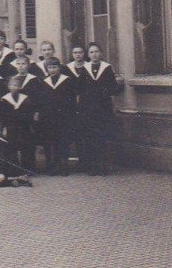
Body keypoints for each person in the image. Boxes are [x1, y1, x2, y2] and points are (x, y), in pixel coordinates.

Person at [77, 42, 122, 175]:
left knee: (102, 137)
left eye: (96, 51)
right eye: (91, 52)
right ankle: (93, 166)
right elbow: (81, 89)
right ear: (88, 54)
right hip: (89, 109)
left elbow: (113, 87)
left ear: (100, 53)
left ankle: (103, 166)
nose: (94, 54)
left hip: (103, 108)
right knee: (90, 137)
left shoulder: (107, 68)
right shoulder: (85, 68)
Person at [39, 57, 76, 175]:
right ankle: (53, 165)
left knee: (63, 141)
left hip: (63, 116)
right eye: (50, 67)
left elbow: (72, 99)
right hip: (49, 117)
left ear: (59, 68)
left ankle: (64, 165)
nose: (53, 70)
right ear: (47, 69)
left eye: (55, 67)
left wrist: (70, 114)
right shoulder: (44, 81)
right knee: (51, 140)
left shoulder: (67, 81)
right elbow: (42, 101)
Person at [0, 75, 38, 174]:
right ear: (8, 86)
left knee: (26, 148)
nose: (13, 87)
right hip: (11, 127)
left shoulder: (25, 99)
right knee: (12, 148)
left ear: (20, 87)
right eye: (11, 85)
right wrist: (4, 127)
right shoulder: (4, 99)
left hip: (24, 127)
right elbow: (3, 115)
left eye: (16, 85)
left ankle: (28, 168)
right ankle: (14, 169)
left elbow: (29, 113)